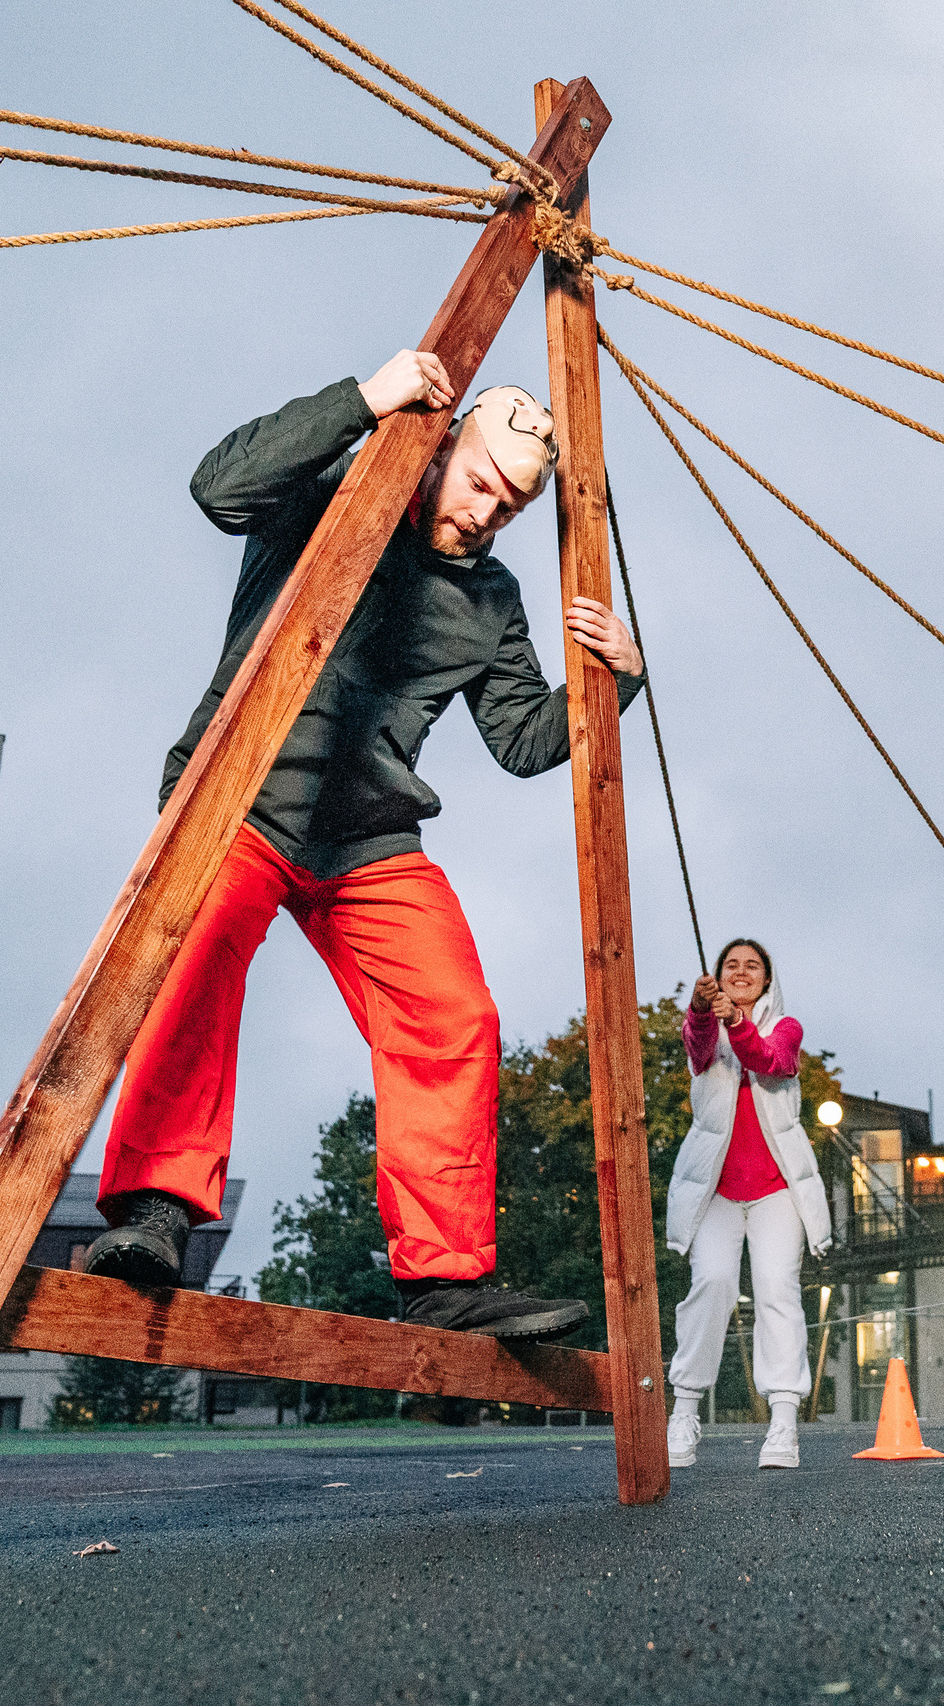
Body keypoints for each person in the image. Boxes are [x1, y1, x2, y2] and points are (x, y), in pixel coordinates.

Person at [84, 348, 645, 1342]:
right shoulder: (342, 491)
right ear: (443, 444)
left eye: (510, 504)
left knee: (454, 1011)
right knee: (198, 955)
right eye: (480, 480)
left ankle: (443, 1279)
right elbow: (219, 486)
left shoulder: (492, 598)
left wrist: (612, 683)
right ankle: (155, 1211)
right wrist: (364, 398)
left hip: (367, 837)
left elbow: (520, 740)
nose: (486, 509)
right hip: (241, 794)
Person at [665, 939, 832, 1470]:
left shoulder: (786, 1027)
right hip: (716, 1189)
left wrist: (737, 1023)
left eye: (751, 966)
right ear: (717, 978)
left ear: (766, 980)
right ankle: (685, 1409)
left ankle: (783, 1423)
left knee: (777, 1290)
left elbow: (770, 1062)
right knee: (712, 1282)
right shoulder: (707, 1027)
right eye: (730, 966)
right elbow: (696, 1049)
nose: (741, 972)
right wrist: (699, 1011)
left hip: (776, 1189)